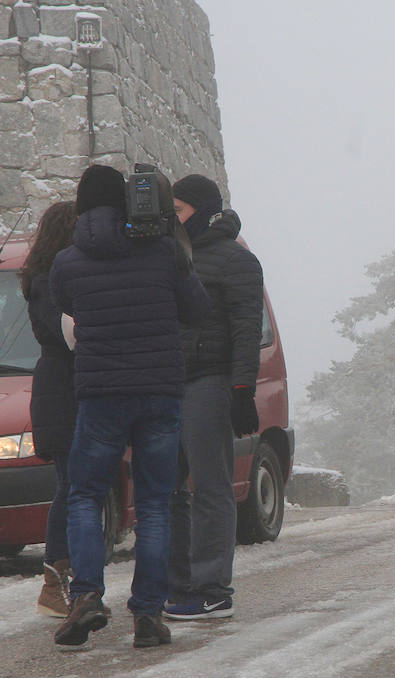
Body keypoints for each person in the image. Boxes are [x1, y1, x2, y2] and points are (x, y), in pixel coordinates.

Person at [48, 163, 210, 649]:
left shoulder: (68, 261)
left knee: (85, 496)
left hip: (99, 394)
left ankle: (87, 596)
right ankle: (148, 615)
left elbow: (65, 305)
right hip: (159, 392)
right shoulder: (161, 252)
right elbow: (198, 309)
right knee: (156, 504)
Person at [163, 174, 264, 621]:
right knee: (166, 490)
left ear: (202, 212)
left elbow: (247, 331)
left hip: (210, 383)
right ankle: (176, 584)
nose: (174, 220)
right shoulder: (167, 257)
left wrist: (242, 389)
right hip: (168, 383)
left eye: (180, 212)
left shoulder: (236, 261)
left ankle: (212, 589)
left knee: (210, 487)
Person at [19, 200, 79, 617]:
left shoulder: (48, 278)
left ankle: (66, 580)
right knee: (72, 488)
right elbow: (68, 335)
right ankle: (54, 583)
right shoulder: (47, 282)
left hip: (64, 387)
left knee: (75, 488)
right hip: (63, 390)